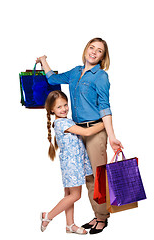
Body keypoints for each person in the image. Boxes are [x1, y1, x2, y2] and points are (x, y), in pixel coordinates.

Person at [37, 37, 123, 234]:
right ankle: (97, 214)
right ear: (86, 49)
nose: (94, 52)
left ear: (103, 56)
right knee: (89, 177)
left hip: (95, 130)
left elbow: (105, 107)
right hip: (76, 130)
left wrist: (111, 136)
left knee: (99, 175)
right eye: (92, 47)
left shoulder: (100, 76)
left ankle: (102, 217)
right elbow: (52, 79)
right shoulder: (75, 72)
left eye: (99, 50)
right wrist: (43, 61)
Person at [40, 90, 105, 234]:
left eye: (65, 105)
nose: (63, 109)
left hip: (72, 163)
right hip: (72, 165)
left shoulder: (65, 121)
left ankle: (70, 225)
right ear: (51, 109)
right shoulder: (62, 123)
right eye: (59, 107)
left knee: (69, 195)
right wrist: (104, 123)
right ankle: (48, 216)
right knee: (75, 195)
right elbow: (87, 132)